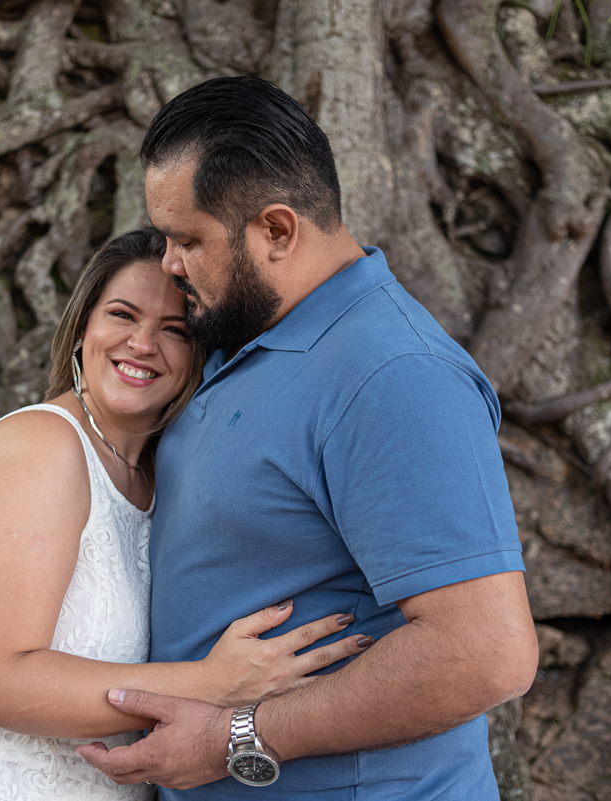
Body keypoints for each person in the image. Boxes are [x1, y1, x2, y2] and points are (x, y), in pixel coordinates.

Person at [77, 78, 540, 798]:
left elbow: (486, 653)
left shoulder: (394, 375)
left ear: (278, 231)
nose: (168, 263)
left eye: (189, 239)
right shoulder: (238, 331)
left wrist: (234, 737)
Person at [0, 227, 370, 800]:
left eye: (174, 330)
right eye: (122, 314)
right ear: (82, 326)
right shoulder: (39, 447)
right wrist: (212, 683)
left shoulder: (165, 481)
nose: (142, 343)